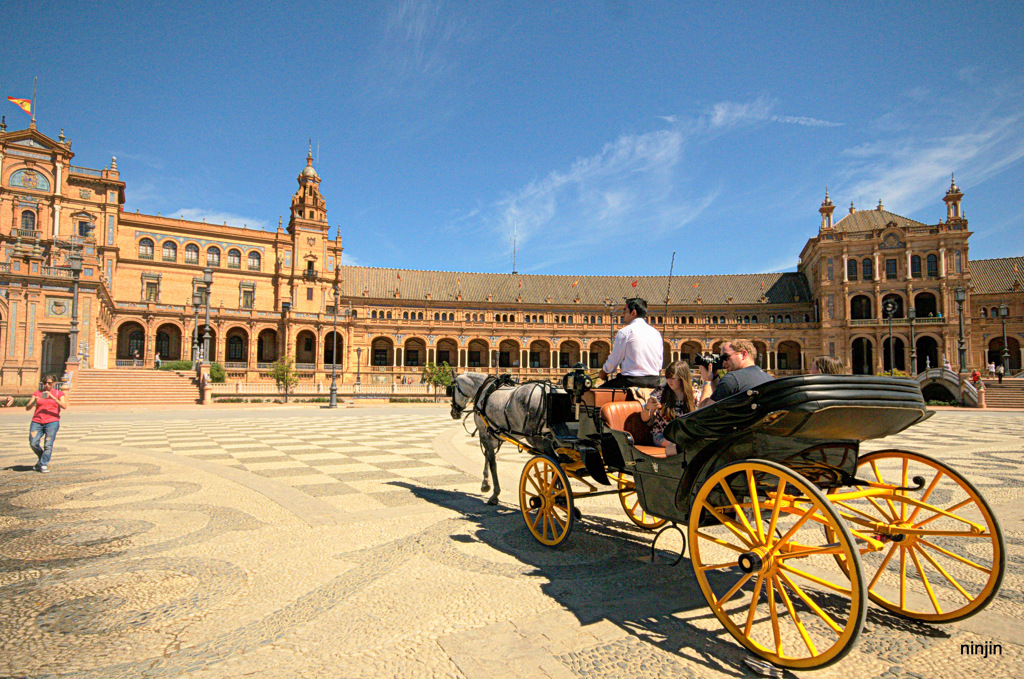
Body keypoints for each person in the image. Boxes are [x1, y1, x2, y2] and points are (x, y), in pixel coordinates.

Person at [598, 297, 664, 389]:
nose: (622, 313)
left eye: (625, 310)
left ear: (633, 313)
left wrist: (604, 372)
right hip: (654, 381)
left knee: (595, 395)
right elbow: (659, 362)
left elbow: (614, 360)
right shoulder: (656, 333)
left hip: (631, 381)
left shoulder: (625, 332)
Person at [640, 360, 696, 456]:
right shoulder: (661, 392)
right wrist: (648, 408)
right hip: (662, 435)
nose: (669, 381)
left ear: (682, 379)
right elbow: (644, 418)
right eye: (667, 378)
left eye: (673, 378)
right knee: (680, 446)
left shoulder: (694, 394)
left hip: (684, 435)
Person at [697, 339, 772, 409]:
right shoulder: (769, 379)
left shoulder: (732, 379)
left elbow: (702, 413)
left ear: (743, 354)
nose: (724, 362)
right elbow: (721, 396)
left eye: (725, 357)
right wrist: (714, 377)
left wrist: (707, 381)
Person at [25, 375, 68, 473]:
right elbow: (27, 407)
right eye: (45, 383)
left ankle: (43, 464)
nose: (47, 385)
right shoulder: (38, 393)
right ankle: (42, 459)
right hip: (37, 421)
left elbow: (64, 406)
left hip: (52, 422)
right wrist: (33, 402)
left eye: (49, 383)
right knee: (33, 443)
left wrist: (53, 398)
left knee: (48, 444)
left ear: (54, 383)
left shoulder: (59, 393)